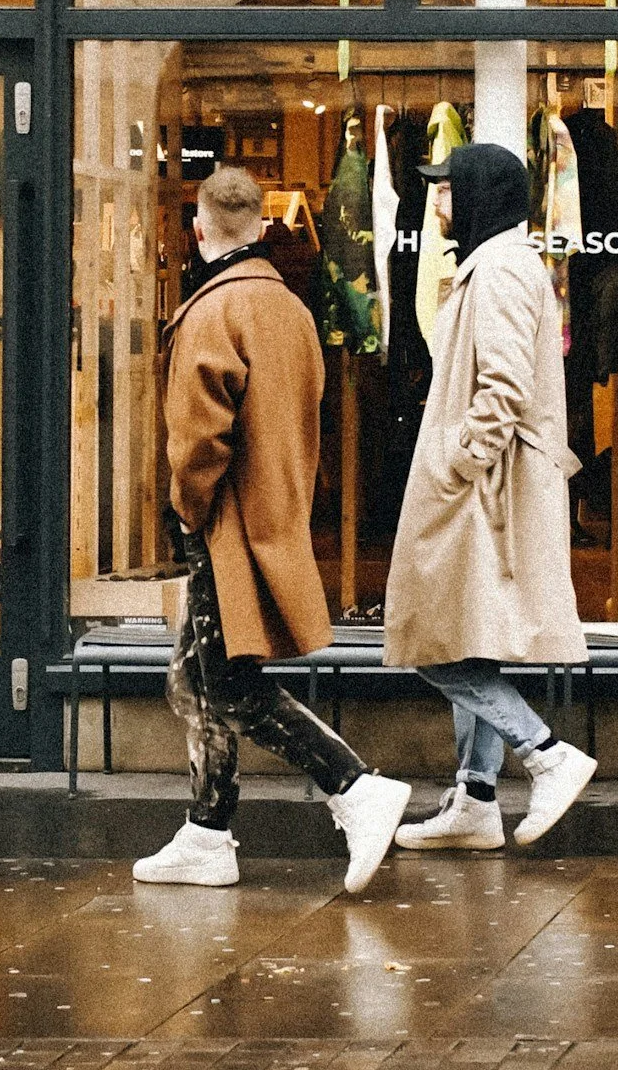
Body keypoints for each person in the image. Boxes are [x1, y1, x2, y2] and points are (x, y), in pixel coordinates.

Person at [134, 165, 412, 893]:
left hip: (224, 523)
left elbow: (198, 440)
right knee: (197, 679)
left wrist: (188, 508)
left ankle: (354, 787)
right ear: (261, 227)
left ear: (198, 231)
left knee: (223, 685)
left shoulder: (210, 311)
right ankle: (206, 830)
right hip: (275, 512)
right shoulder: (289, 308)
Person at [385, 144, 597, 852]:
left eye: (445, 189)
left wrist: (460, 461)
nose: (436, 202)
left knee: (430, 636)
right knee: (465, 631)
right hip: (485, 485)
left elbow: (502, 386)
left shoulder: (501, 269)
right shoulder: (496, 264)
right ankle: (475, 797)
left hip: (484, 487)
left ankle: (544, 753)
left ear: (478, 194)